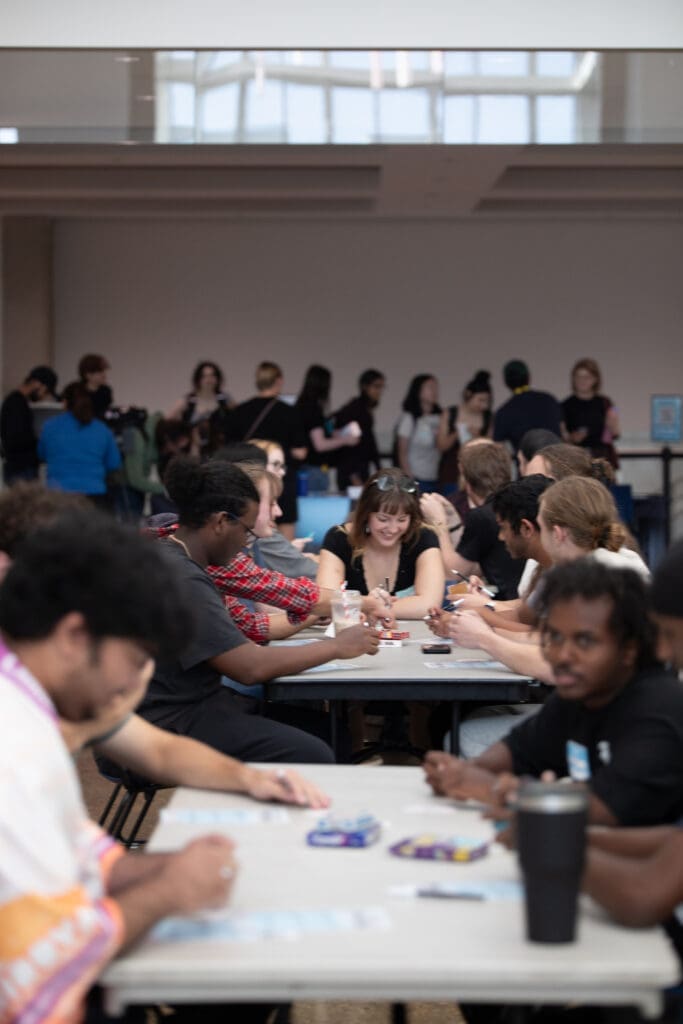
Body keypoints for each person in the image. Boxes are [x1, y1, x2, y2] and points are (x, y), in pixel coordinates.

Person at [0, 511, 245, 1024]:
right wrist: (169, 889)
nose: (136, 685)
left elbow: (76, 856)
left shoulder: (33, 705)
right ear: (74, 636)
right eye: (136, 659)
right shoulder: (15, 742)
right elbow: (41, 964)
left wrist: (162, 866)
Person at [0, 482, 330, 811]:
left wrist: (247, 779)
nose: (136, 674)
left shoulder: (63, 686)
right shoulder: (19, 708)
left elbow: (156, 751)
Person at [138, 456, 380, 764]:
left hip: (183, 708)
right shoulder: (184, 578)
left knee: (330, 733)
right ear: (221, 522)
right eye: (246, 532)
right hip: (169, 723)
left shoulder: (176, 559)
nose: (246, 544)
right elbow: (250, 667)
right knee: (318, 748)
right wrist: (337, 646)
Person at [425, 559, 683, 827]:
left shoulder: (658, 709)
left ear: (629, 649)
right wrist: (459, 773)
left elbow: (608, 811)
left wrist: (493, 790)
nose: (562, 655)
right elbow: (518, 751)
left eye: (584, 641)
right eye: (555, 638)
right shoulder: (580, 695)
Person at [432, 474, 650, 683]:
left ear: (558, 533)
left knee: (473, 721)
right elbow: (544, 639)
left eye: (541, 528)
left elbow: (558, 666)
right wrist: (476, 627)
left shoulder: (604, 578)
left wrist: (485, 638)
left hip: (618, 715)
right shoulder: (580, 570)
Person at [317, 467, 444, 620]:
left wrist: (365, 607)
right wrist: (374, 606)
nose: (392, 529)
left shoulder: (423, 537)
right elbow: (328, 605)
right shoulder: (339, 539)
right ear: (366, 514)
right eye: (383, 519)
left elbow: (429, 605)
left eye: (402, 519)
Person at [422, 441, 522, 600]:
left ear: (467, 484)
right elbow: (474, 566)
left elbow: (452, 573)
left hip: (507, 603)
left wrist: (438, 522)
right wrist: (453, 520)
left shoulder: (483, 516)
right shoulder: (516, 505)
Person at [230, 361, 308, 540]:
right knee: (286, 537)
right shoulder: (289, 412)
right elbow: (301, 452)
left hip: (250, 481)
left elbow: (231, 446)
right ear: (279, 381)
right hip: (284, 482)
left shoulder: (240, 411)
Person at [37, 381, 121, 507]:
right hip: (94, 494)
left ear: (65, 403)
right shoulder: (102, 429)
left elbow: (42, 454)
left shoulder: (50, 426)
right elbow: (113, 463)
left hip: (57, 494)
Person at [295, 363, 360, 493]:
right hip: (314, 469)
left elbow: (319, 434)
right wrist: (345, 440)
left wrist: (339, 433)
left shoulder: (300, 406)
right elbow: (320, 444)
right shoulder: (313, 409)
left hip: (304, 468)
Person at [437, 369, 493, 491]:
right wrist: (456, 433)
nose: (483, 405)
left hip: (478, 473)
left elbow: (491, 448)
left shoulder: (487, 417)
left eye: (486, 401)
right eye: (480, 400)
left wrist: (478, 437)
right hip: (451, 471)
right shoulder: (451, 413)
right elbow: (441, 446)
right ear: (468, 395)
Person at [0, 364, 58, 483]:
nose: (42, 395)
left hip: (17, 467)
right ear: (36, 383)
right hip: (21, 469)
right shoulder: (17, 404)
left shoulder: (16, 402)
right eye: (45, 390)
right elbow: (18, 438)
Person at [493, 359, 563, 454]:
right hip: (556, 461)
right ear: (528, 377)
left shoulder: (504, 412)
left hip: (528, 466)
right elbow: (563, 431)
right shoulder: (549, 400)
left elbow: (498, 447)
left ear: (506, 382)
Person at [332, 368, 385, 491]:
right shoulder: (355, 410)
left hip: (360, 469)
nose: (379, 391)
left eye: (381, 387)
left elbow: (369, 443)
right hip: (352, 473)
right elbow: (349, 449)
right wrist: (353, 475)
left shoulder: (363, 410)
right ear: (365, 387)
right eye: (376, 386)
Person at [562, 357, 620, 468]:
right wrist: (571, 438)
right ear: (573, 379)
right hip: (576, 458)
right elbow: (562, 436)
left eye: (587, 377)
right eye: (578, 376)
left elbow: (614, 434)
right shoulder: (565, 405)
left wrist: (612, 426)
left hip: (600, 458)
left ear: (595, 379)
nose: (582, 380)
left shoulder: (605, 402)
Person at [167, 360, 233, 456]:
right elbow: (166, 425)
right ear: (198, 379)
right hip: (193, 456)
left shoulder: (225, 400)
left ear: (218, 378)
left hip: (220, 456)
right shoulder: (188, 401)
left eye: (212, 376)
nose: (209, 380)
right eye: (204, 376)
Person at [395, 373, 442, 491]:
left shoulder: (440, 417)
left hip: (435, 475)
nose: (434, 391)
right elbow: (402, 452)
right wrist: (408, 478)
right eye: (430, 387)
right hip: (415, 475)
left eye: (435, 387)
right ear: (418, 390)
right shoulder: (409, 418)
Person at [78, 352, 113, 419]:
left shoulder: (106, 391)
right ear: (88, 374)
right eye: (100, 371)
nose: (104, 375)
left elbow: (106, 413)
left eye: (104, 371)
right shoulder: (77, 390)